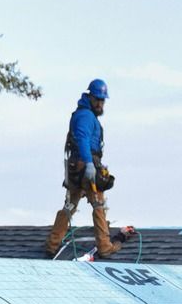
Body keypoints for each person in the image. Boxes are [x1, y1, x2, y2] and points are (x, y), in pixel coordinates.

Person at [44, 79, 130, 258]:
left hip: (78, 166)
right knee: (98, 203)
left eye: (102, 100)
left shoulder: (84, 114)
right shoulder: (85, 116)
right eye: (98, 99)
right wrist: (90, 163)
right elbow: (83, 139)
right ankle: (104, 245)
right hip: (85, 166)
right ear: (90, 96)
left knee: (70, 205)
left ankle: (53, 245)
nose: (100, 103)